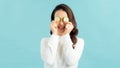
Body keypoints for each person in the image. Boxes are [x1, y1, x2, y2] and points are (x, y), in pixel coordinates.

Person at [40, 4, 84, 68]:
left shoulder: (79, 42)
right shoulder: (45, 41)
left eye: (64, 19)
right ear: (53, 21)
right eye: (57, 19)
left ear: (70, 21)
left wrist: (66, 35)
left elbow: (70, 61)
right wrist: (54, 34)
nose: (61, 23)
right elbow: (49, 60)